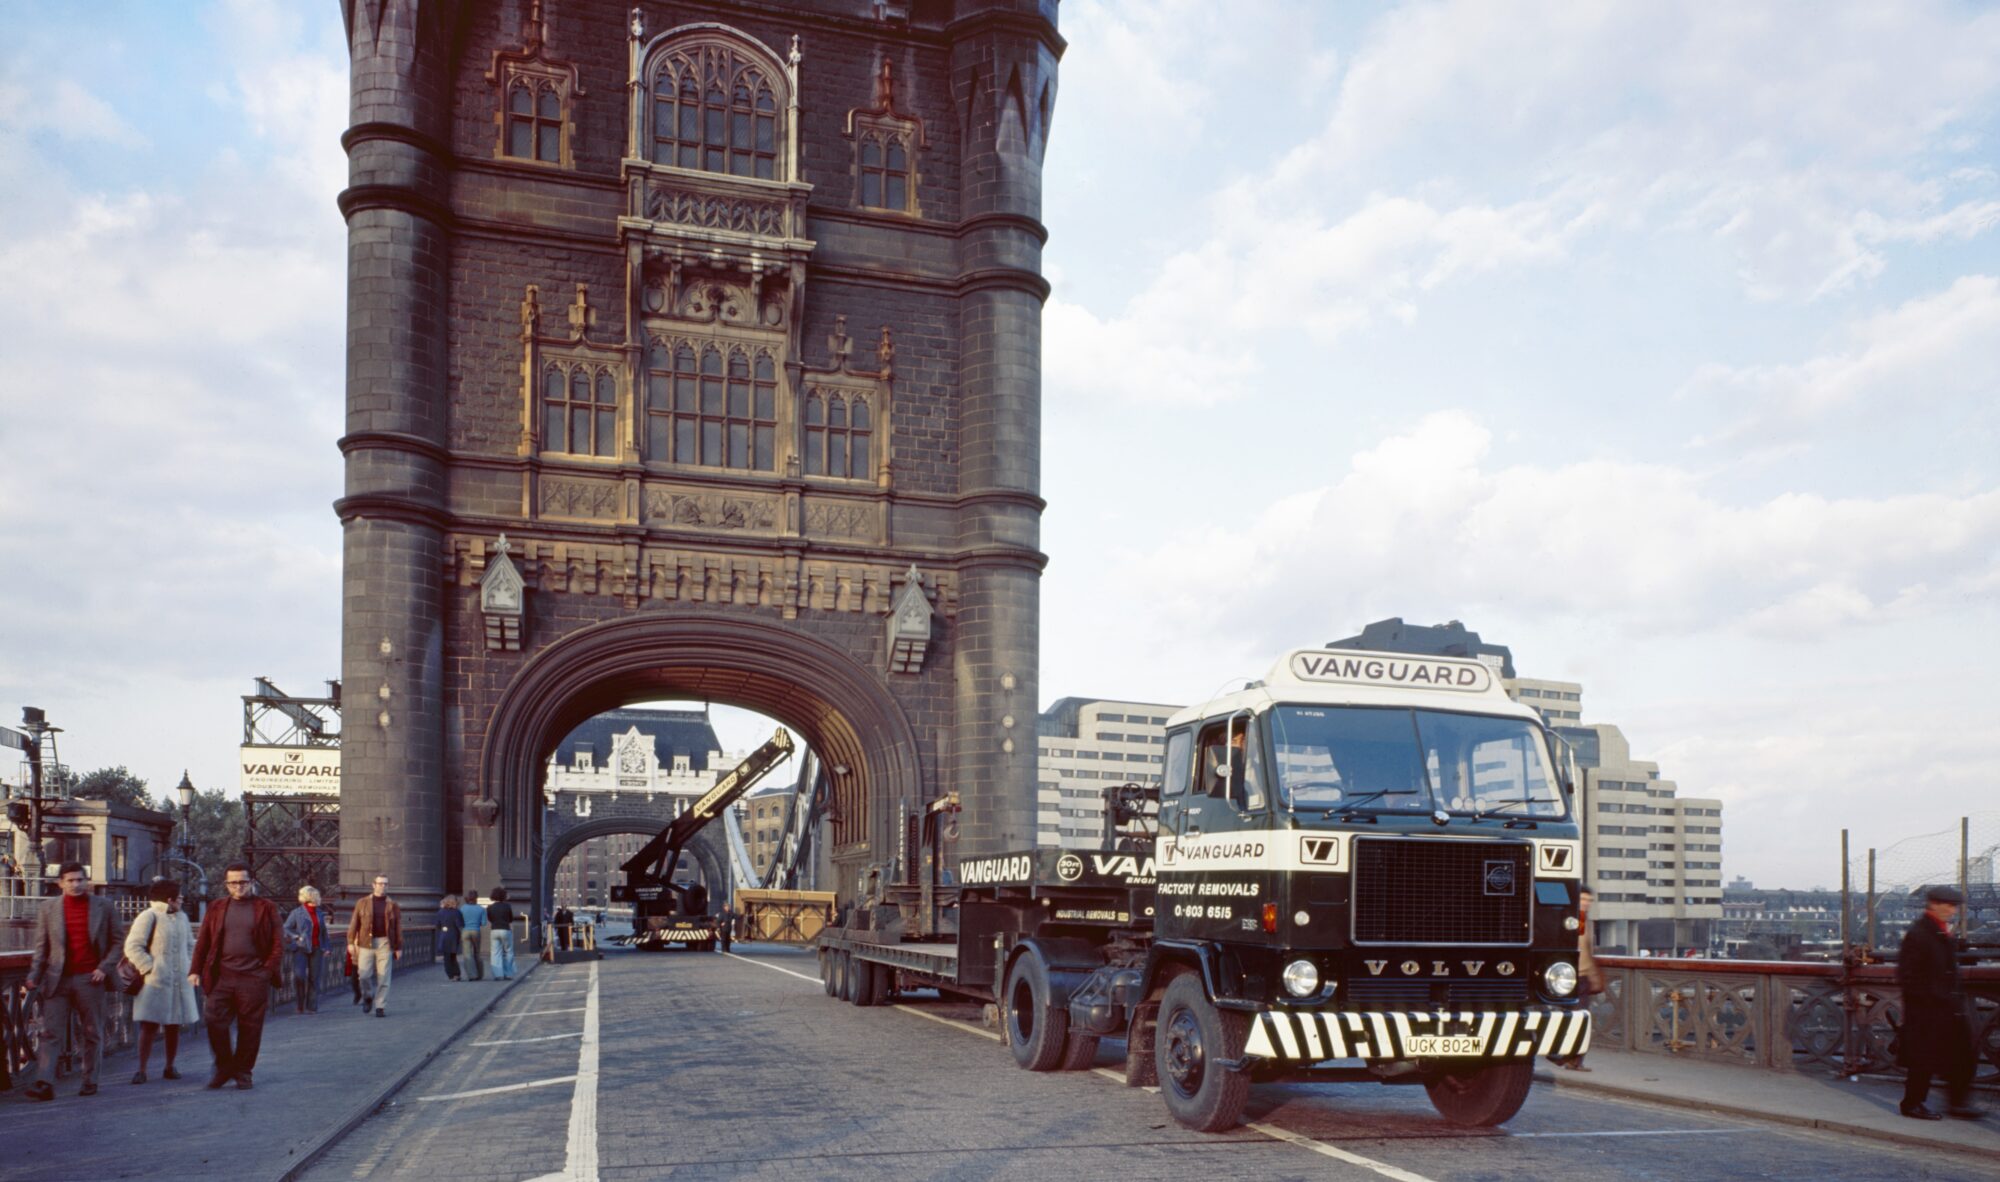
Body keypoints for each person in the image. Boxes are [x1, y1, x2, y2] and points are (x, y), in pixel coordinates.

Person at [21, 863, 122, 1101]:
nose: (76, 885)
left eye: (80, 880)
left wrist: (104, 968)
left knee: (91, 1032)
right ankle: (44, 1083)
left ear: (87, 881)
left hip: (91, 979)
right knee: (50, 1033)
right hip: (58, 979)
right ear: (60, 883)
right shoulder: (48, 909)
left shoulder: (104, 906)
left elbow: (118, 942)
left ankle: (90, 1080)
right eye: (71, 880)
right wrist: (34, 975)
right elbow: (41, 946)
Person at [190, 863, 284, 1089]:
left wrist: (265, 972)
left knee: (250, 1027)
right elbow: (203, 941)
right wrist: (195, 969)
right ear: (226, 885)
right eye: (233, 882)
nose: (238, 886)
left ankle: (243, 1072)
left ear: (252, 882)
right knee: (213, 1020)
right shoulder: (217, 907)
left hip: (253, 977)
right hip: (222, 976)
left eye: (243, 882)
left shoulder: (266, 907)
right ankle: (224, 1067)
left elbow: (278, 943)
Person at [1898, 884, 1981, 1120]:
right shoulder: (1919, 933)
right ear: (1933, 904)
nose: (1952, 910)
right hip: (1928, 1009)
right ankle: (1912, 1104)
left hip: (1946, 1006)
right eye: (1948, 905)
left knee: (1962, 1055)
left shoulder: (1938, 930)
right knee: (1922, 1059)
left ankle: (1958, 1103)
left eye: (1954, 906)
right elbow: (1908, 975)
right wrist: (1931, 999)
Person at [124, 879, 200, 1084]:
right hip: (154, 981)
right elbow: (132, 946)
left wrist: (191, 967)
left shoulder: (182, 918)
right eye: (179, 895)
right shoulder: (148, 916)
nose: (182, 898)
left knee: (174, 1024)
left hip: (178, 979)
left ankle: (170, 1066)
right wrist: (149, 968)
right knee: (149, 1025)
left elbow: (190, 945)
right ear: (169, 899)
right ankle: (141, 1069)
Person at [1551, 887, 1606, 1071]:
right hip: (1568, 978)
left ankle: (1573, 1058)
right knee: (1573, 1018)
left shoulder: (1583, 920)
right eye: (1583, 899)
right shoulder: (1570, 920)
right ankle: (1565, 1055)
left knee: (1579, 1018)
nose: (1586, 903)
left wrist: (1593, 976)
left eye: (1589, 900)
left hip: (1581, 977)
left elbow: (1586, 950)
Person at [347, 874, 402, 1017]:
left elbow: (397, 927)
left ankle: (380, 1006)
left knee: (384, 976)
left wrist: (398, 947)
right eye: (380, 883)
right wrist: (351, 941)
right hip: (366, 943)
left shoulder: (393, 905)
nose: (383, 886)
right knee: (363, 975)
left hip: (385, 942)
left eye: (385, 884)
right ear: (374, 885)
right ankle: (368, 997)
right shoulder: (362, 902)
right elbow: (354, 923)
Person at [283, 885, 330, 1014]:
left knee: (314, 978)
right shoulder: (296, 913)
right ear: (311, 896)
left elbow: (324, 932)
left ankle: (312, 1006)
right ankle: (299, 1004)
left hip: (317, 948)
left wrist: (326, 947)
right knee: (299, 976)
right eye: (317, 896)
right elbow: (285, 928)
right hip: (300, 949)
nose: (319, 898)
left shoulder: (320, 913)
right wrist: (296, 936)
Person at [485, 887, 517, 980]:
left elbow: (490, 919)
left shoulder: (490, 907)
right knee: (508, 951)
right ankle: (508, 973)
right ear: (503, 896)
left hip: (494, 930)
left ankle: (498, 974)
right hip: (505, 930)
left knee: (495, 953)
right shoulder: (507, 906)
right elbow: (511, 919)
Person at [459, 893, 489, 981]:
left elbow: (460, 921)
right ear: (476, 898)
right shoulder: (481, 909)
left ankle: (472, 975)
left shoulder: (463, 908)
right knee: (477, 953)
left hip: (465, 931)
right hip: (476, 931)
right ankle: (480, 974)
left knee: (467, 954)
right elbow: (484, 923)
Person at [436, 894, 466, 980]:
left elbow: (438, 925)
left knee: (446, 957)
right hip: (454, 935)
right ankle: (457, 974)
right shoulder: (457, 912)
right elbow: (460, 925)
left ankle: (451, 975)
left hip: (444, 935)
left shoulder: (440, 912)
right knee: (453, 955)